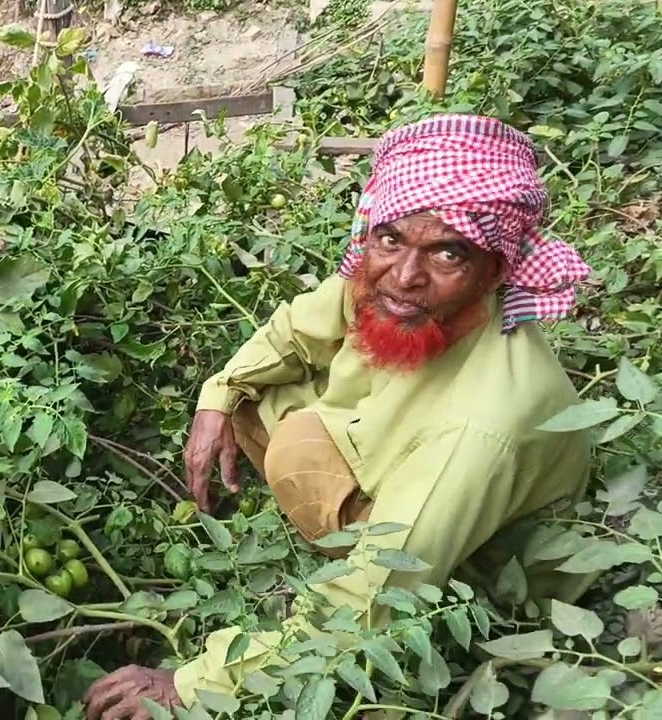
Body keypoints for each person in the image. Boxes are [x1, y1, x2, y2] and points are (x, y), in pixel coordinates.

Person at [82, 114, 597, 720]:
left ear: (496, 269)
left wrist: (191, 685)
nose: (405, 276)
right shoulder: (383, 287)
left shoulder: (483, 425)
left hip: (466, 570)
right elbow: (293, 330)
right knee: (256, 396)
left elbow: (381, 594)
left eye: (447, 254)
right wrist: (217, 396)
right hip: (395, 460)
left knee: (373, 593)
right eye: (390, 240)